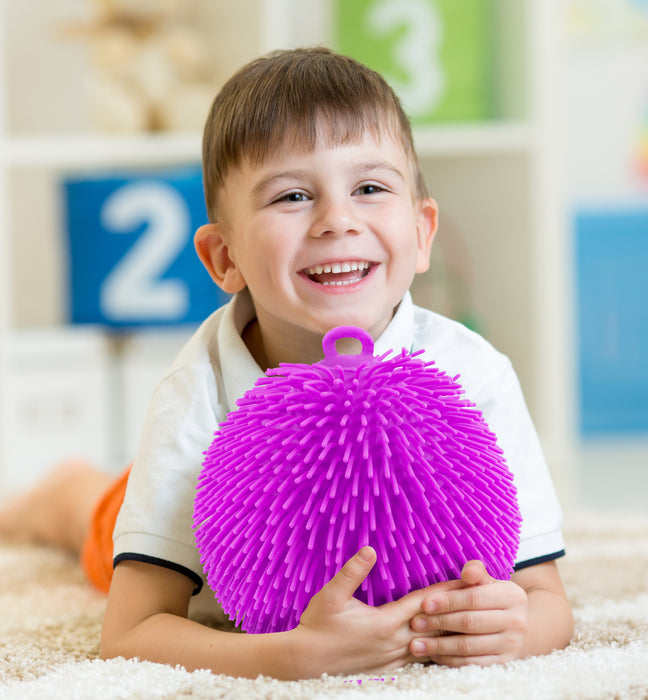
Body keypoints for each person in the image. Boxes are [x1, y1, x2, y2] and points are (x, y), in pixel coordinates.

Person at [0, 47, 573, 679]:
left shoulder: (475, 374)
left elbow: (546, 602)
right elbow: (131, 631)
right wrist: (289, 656)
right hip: (196, 521)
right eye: (293, 195)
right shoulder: (197, 390)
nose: (338, 221)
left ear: (422, 232)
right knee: (89, 514)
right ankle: (50, 494)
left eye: (370, 188)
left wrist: (508, 630)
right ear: (225, 260)